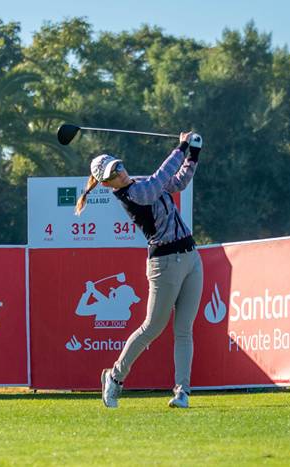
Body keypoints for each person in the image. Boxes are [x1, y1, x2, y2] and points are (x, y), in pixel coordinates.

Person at [74, 131, 203, 409]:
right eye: (112, 174)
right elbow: (159, 181)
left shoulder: (141, 183)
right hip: (164, 264)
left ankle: (183, 392)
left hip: (191, 257)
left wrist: (193, 154)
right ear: (107, 184)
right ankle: (115, 376)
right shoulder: (132, 194)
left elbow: (178, 182)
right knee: (152, 328)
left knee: (184, 330)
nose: (119, 173)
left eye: (118, 167)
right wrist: (180, 146)